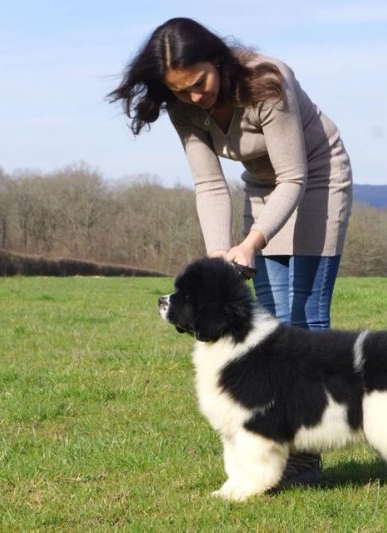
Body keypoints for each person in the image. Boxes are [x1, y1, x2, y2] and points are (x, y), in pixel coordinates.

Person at [108, 17, 353, 485]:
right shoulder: (184, 108)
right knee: (270, 323)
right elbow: (209, 185)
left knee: (302, 318)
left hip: (316, 179)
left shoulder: (267, 81)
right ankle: (276, 443)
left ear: (217, 60)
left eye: (200, 84)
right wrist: (222, 254)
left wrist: (251, 243)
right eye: (182, 91)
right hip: (261, 187)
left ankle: (306, 456)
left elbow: (295, 178)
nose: (195, 97)